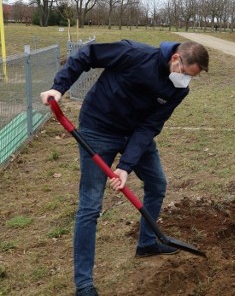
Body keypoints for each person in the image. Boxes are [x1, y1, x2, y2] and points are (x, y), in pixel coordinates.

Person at [40, 40, 209, 296]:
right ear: (175, 58)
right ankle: (84, 285)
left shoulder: (179, 90)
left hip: (135, 135)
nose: (185, 81)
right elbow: (87, 54)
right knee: (90, 205)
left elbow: (150, 126)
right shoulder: (135, 54)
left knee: (156, 184)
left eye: (191, 78)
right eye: (185, 73)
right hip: (99, 129)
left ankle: (148, 243)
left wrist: (126, 166)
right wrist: (58, 87)